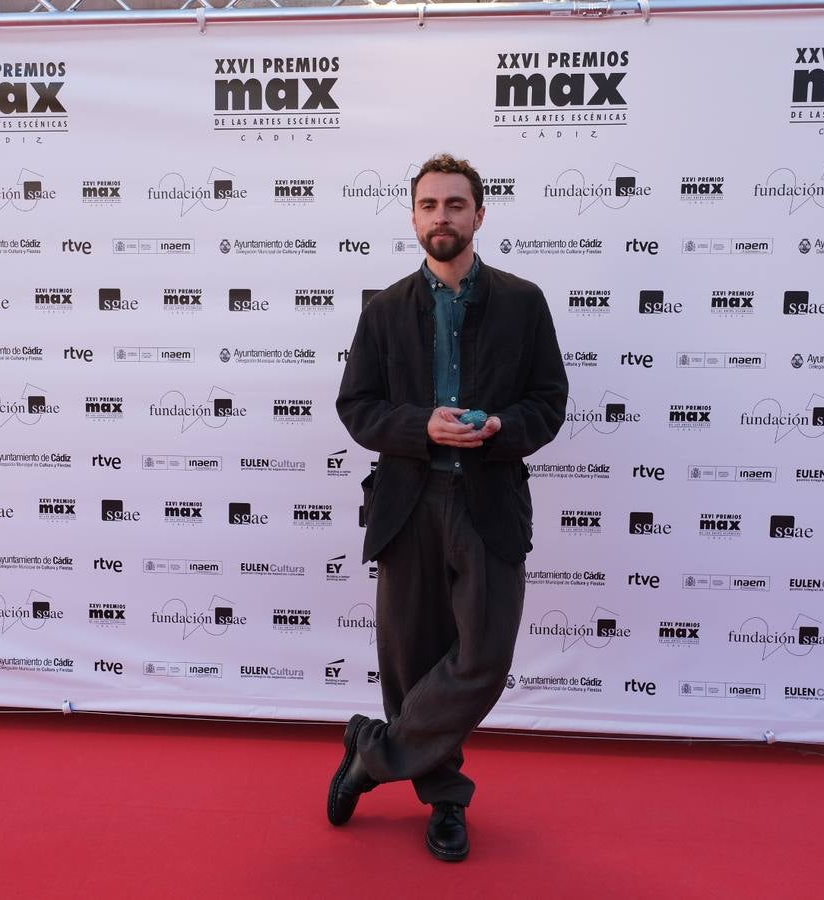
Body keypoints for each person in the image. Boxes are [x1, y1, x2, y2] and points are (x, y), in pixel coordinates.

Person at [328, 153, 567, 861]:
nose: (442, 216)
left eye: (456, 205)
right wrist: (417, 428)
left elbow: (548, 403)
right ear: (413, 217)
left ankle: (371, 754)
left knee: (484, 658)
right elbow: (356, 407)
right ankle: (444, 799)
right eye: (429, 205)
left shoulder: (524, 301)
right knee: (410, 661)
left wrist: (501, 429)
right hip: (408, 503)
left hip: (488, 500)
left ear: (479, 215)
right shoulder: (384, 309)